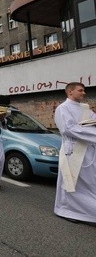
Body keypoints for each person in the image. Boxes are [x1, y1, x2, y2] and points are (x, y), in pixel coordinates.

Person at [54, 82, 96, 224]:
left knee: (88, 183)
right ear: (70, 92)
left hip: (88, 150)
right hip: (72, 150)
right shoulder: (63, 108)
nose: (84, 93)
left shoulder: (86, 109)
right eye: (80, 90)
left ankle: (86, 211)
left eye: (84, 91)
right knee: (70, 181)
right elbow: (68, 128)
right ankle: (67, 210)